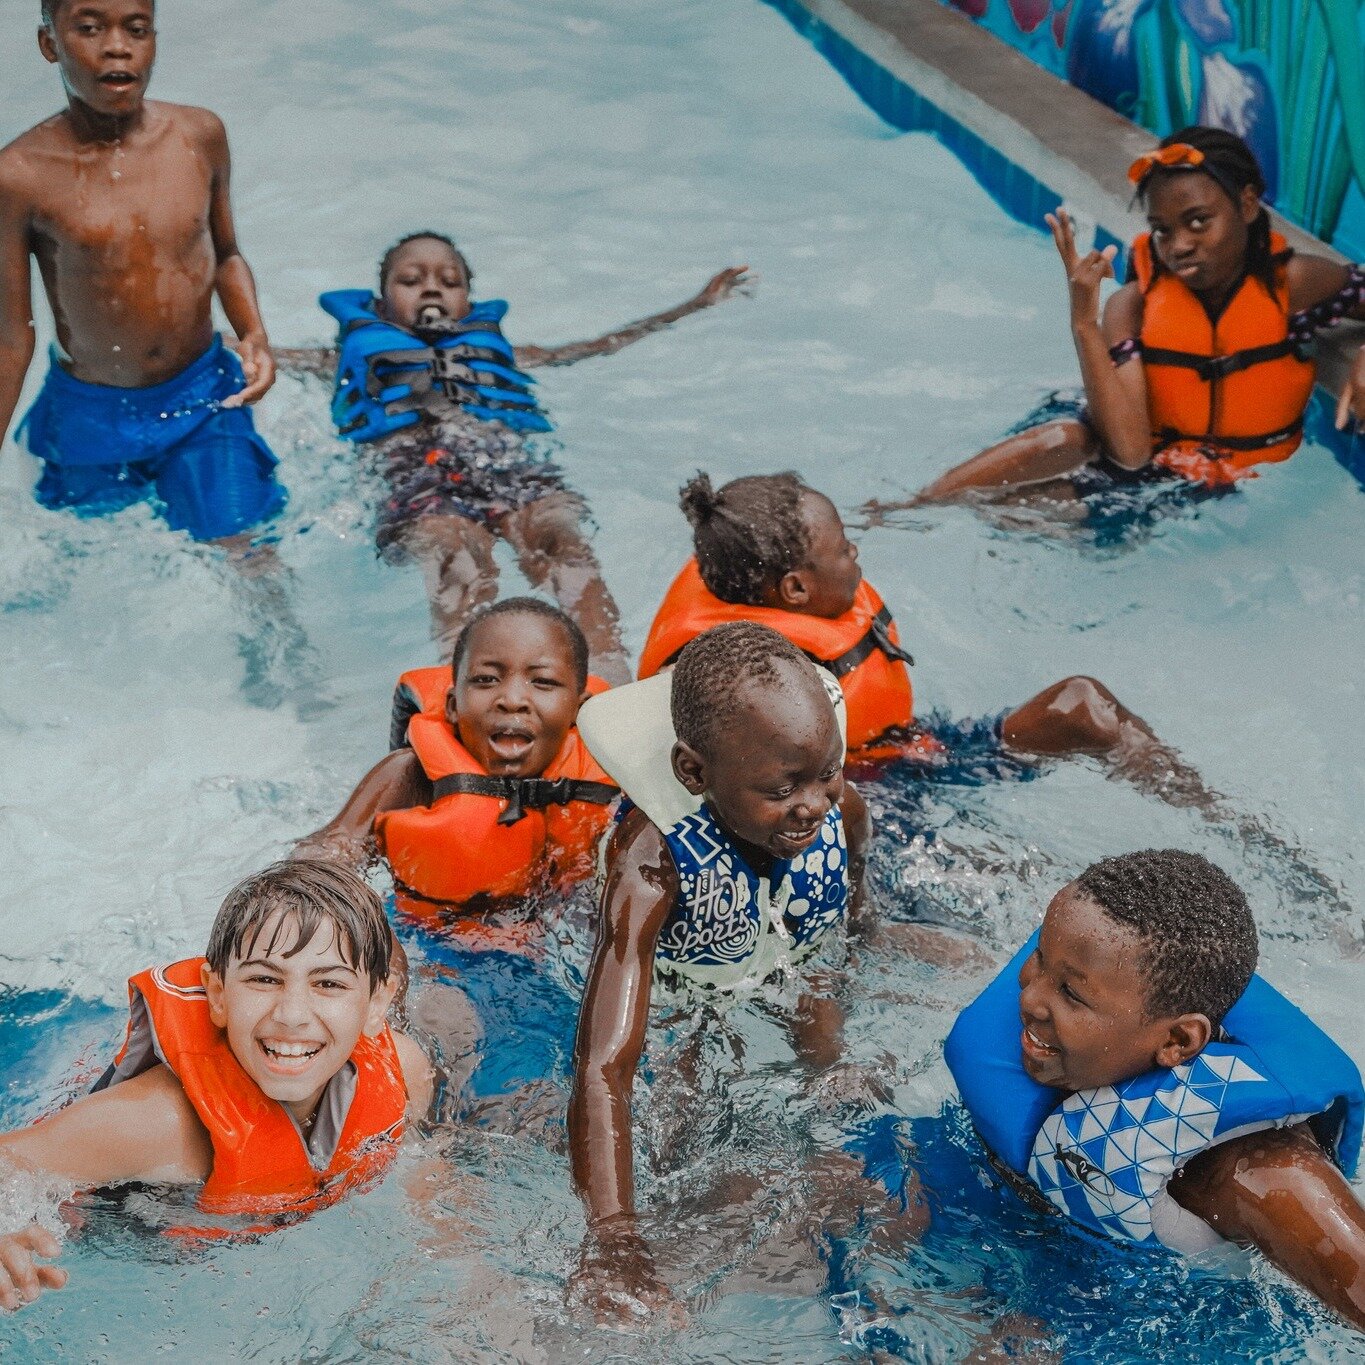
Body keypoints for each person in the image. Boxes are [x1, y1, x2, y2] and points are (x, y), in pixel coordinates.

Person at [567, 622, 886, 1321]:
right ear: (693, 773)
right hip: (688, 993)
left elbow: (852, 916)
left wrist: (860, 964)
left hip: (789, 964)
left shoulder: (839, 808)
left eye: (826, 771)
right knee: (692, 1150)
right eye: (781, 788)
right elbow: (603, 1065)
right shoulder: (650, 863)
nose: (812, 803)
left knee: (842, 1095)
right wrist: (614, 1237)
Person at [277, 231, 750, 682]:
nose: (431, 290)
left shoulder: (505, 353)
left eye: (449, 281)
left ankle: (609, 673)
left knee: (559, 537)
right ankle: (467, 682)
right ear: (380, 304)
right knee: (455, 553)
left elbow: (600, 345)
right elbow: (255, 356)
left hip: (507, 471)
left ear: (467, 299)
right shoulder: (342, 361)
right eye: (411, 280)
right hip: (420, 481)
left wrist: (695, 305)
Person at [946, 850, 1365, 1330]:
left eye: (1071, 994)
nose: (1030, 999)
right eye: (1039, 961)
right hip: (1000, 1218)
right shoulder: (1095, 1007)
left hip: (1125, 1319)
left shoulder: (1264, 1173)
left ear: (1177, 1041)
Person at [0, 860, 435, 1311]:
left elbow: (426, 1170)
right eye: (264, 979)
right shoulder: (159, 1122)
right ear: (219, 994)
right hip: (139, 1239)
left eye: (329, 984)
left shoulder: (404, 1074)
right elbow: (9, 1161)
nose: (292, 1014)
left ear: (376, 1004)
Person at [865, 127, 1365, 518]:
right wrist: (1085, 324)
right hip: (1125, 442)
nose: (1180, 246)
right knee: (1065, 439)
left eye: (1198, 221)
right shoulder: (1133, 305)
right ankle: (910, 507)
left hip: (1180, 481)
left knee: (1018, 517)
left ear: (1249, 205)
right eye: (1162, 230)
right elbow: (1128, 451)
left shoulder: (1294, 283)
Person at [641, 471, 1214, 806]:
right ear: (794, 589)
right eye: (842, 548)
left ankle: (1219, 818)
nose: (854, 554)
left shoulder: (742, 567)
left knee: (1083, 705)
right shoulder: (745, 677)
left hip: (906, 748)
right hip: (864, 804)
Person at [0, 0, 285, 545]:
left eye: (137, 29)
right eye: (88, 28)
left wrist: (254, 333)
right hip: (89, 411)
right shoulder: (19, 176)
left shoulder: (199, 135)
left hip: (203, 396)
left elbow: (225, 253)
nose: (116, 46)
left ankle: (282, 636)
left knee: (246, 551)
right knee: (90, 559)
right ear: (48, 45)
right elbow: (12, 339)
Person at [295, 598, 617, 929]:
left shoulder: (609, 780)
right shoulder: (409, 776)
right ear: (452, 706)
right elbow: (322, 861)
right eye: (487, 680)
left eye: (543, 682)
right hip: (431, 943)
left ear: (579, 711)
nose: (512, 700)